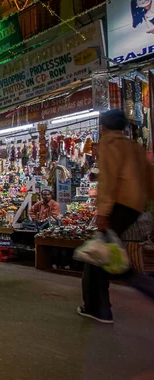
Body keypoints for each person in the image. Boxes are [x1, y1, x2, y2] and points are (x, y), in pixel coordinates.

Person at [79, 109, 154, 324]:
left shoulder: (110, 145)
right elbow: (150, 181)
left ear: (104, 126)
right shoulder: (135, 148)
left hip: (118, 206)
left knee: (97, 255)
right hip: (135, 207)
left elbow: (108, 182)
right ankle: (100, 306)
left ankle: (99, 308)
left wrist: (102, 213)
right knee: (103, 253)